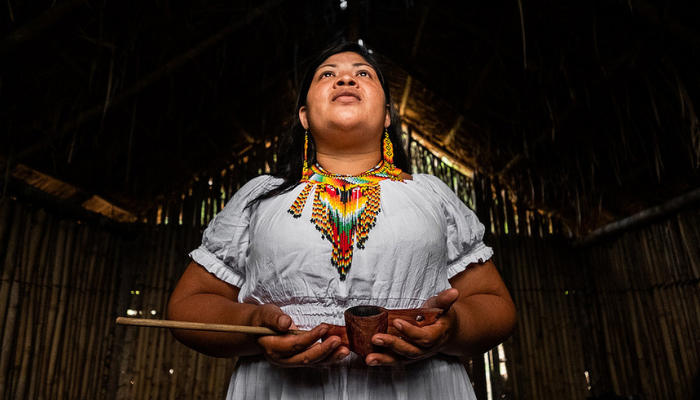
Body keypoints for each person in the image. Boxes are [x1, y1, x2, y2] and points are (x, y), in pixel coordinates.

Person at [167, 41, 517, 399]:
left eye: (362, 74)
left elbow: (495, 304)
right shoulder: (259, 197)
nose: (346, 79)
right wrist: (251, 326)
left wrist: (452, 329)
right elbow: (188, 304)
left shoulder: (431, 194)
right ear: (304, 115)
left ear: (386, 116)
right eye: (328, 75)